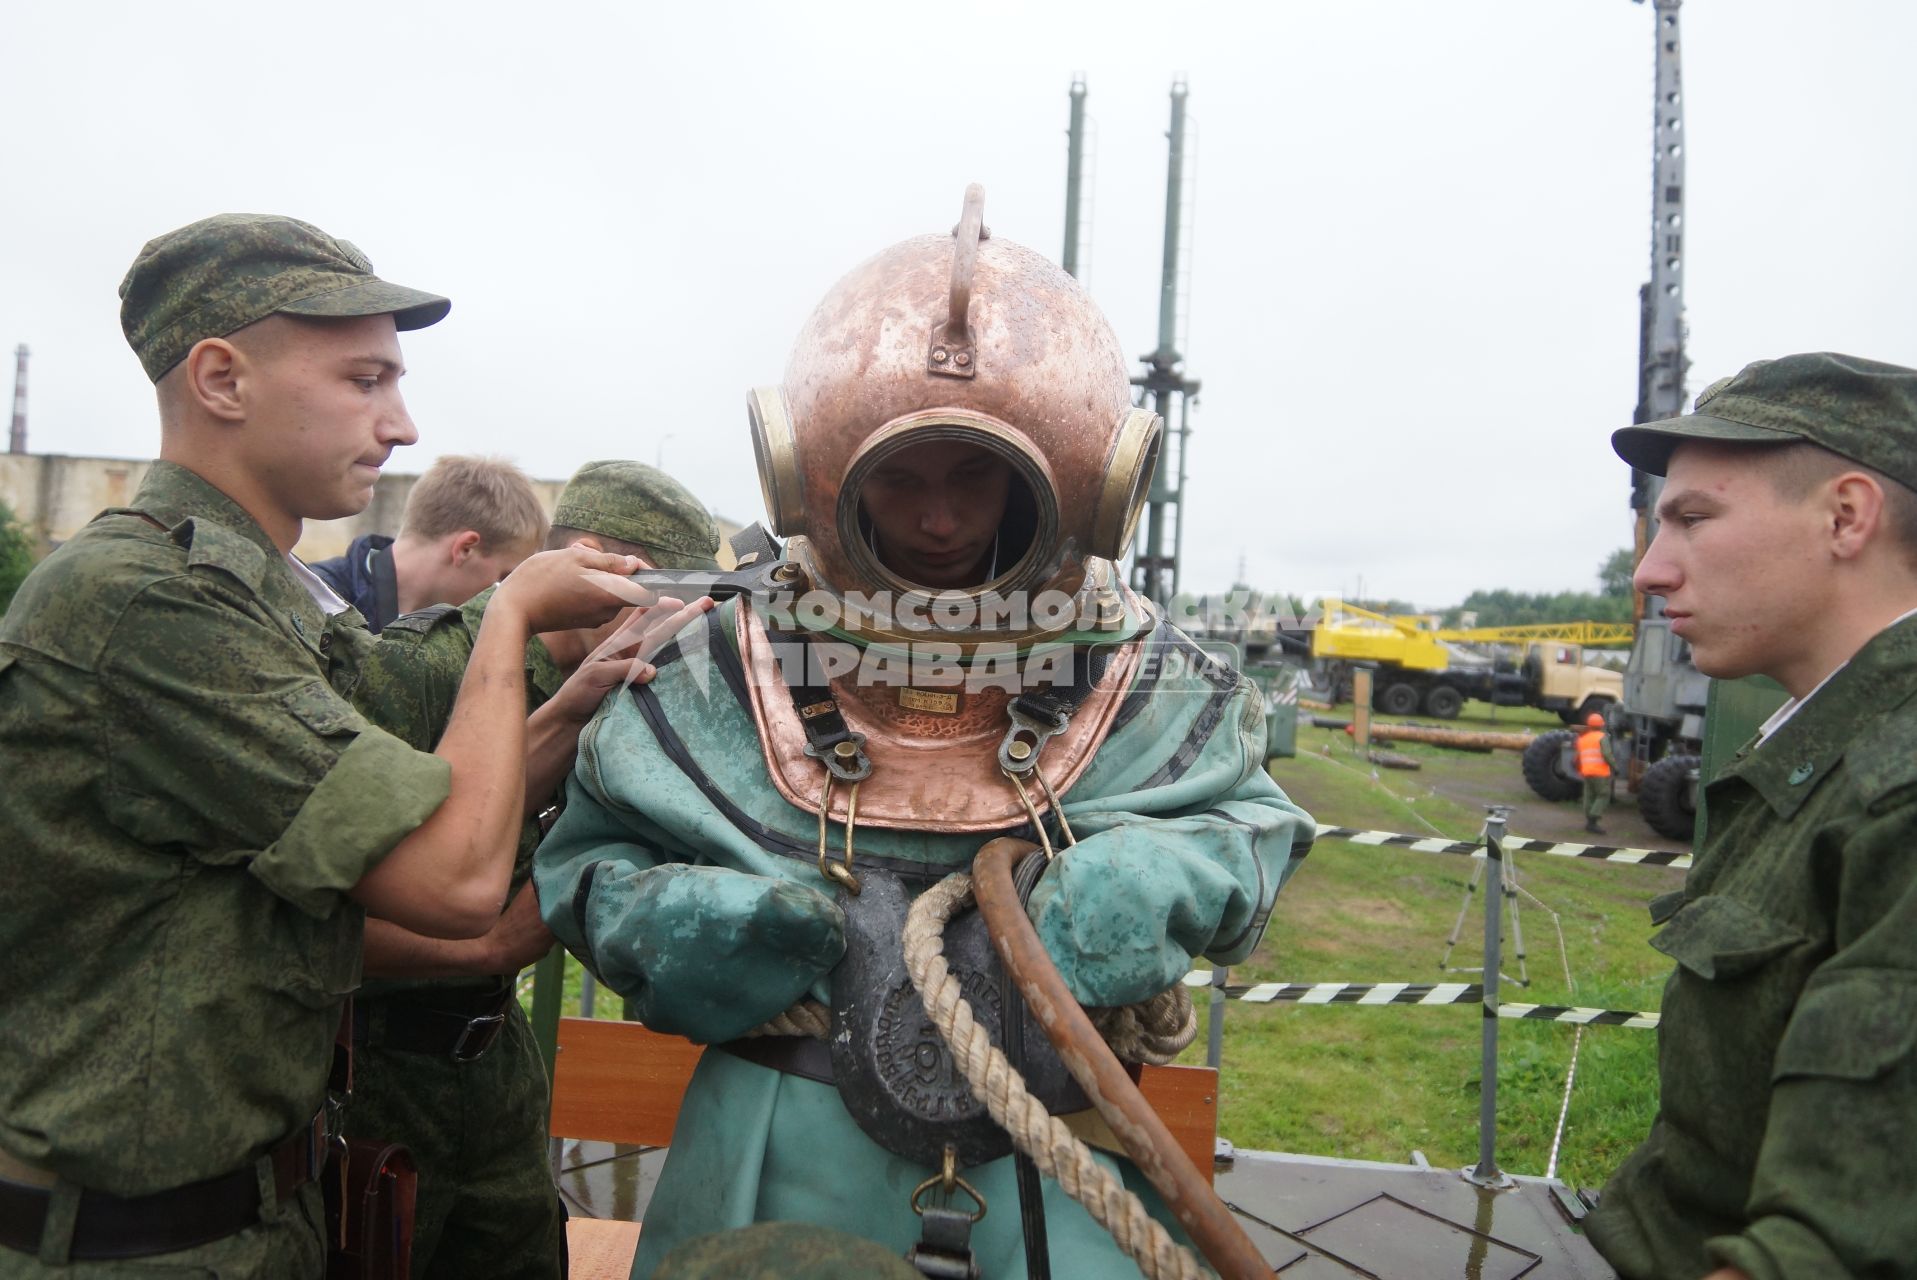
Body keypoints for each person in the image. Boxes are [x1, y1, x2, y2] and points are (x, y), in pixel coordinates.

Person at [534, 188, 1315, 1276]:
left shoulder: (1143, 677)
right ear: (816, 466)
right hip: (776, 1138)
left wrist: (1167, 869)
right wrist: (664, 917)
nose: (939, 519)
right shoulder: (722, 669)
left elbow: (1255, 823)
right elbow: (585, 850)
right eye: (899, 477)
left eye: (974, 476)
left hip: (1060, 1160)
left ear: (1076, 483)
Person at [0, 213, 647, 1278]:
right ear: (220, 379)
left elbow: (422, 803)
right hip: (142, 1243)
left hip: (255, 1214)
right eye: (364, 379)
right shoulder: (144, 605)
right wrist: (510, 617)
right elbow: (453, 876)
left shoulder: (260, 595)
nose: (399, 425)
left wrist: (573, 700)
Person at [343, 459, 721, 1279]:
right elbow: (311, 913)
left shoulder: (620, 688)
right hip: (372, 1080)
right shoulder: (419, 669)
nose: (683, 622)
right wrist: (482, 947)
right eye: (671, 591)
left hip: (494, 1074)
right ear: (589, 565)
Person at [1591, 352, 1917, 1280]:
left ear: (1845, 517)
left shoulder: (1896, 790)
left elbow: (1834, 1252)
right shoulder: (1831, 747)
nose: (1651, 571)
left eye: (1693, 518)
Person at [308, 454, 548, 633]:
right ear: (465, 549)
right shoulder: (313, 603)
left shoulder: (455, 630)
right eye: (503, 577)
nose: (500, 592)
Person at [1576, 711, 1615, 834]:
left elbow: (1578, 757)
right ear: (1601, 725)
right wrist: (1615, 766)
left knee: (1589, 796)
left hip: (1587, 771)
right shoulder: (1602, 737)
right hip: (1600, 772)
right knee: (1603, 795)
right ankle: (1593, 820)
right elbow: (1606, 754)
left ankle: (1589, 821)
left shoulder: (1583, 739)